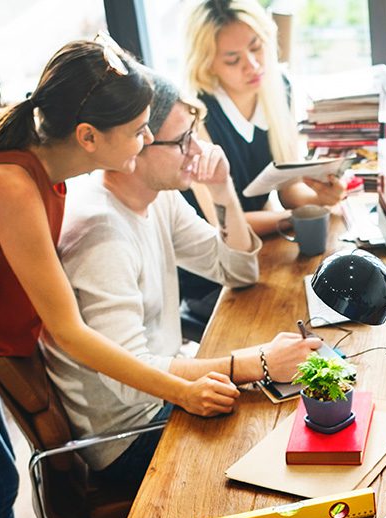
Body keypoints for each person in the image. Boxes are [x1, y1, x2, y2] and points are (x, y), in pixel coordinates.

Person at [0, 36, 238, 518]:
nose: (149, 139)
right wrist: (180, 390)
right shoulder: (10, 186)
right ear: (88, 137)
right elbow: (71, 332)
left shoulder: (38, 157)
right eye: (139, 130)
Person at [46, 73, 320, 492]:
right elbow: (131, 381)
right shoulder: (99, 237)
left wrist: (223, 191)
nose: (197, 151)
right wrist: (257, 363)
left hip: (166, 398)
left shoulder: (159, 198)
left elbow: (237, 271)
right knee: (288, 442)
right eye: (180, 142)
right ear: (135, 145)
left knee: (298, 421)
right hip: (130, 437)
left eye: (193, 134)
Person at [179, 0, 346, 318]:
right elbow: (223, 226)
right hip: (214, 273)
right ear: (207, 63)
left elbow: (288, 189)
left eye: (257, 48)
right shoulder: (195, 115)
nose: (253, 66)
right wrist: (297, 217)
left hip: (259, 247)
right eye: (233, 59)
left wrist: (318, 197)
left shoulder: (277, 86)